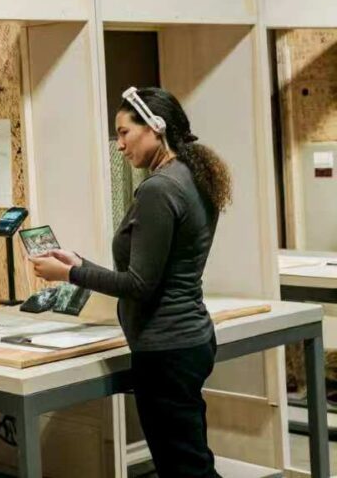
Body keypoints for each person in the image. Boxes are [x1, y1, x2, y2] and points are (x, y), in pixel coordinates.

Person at [31, 87, 232, 478]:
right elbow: (159, 269)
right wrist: (81, 263)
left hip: (166, 347)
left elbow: (140, 284)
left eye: (124, 132)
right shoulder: (192, 176)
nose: (119, 144)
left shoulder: (159, 188)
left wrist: (70, 274)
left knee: (184, 468)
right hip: (189, 339)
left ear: (156, 128)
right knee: (190, 460)